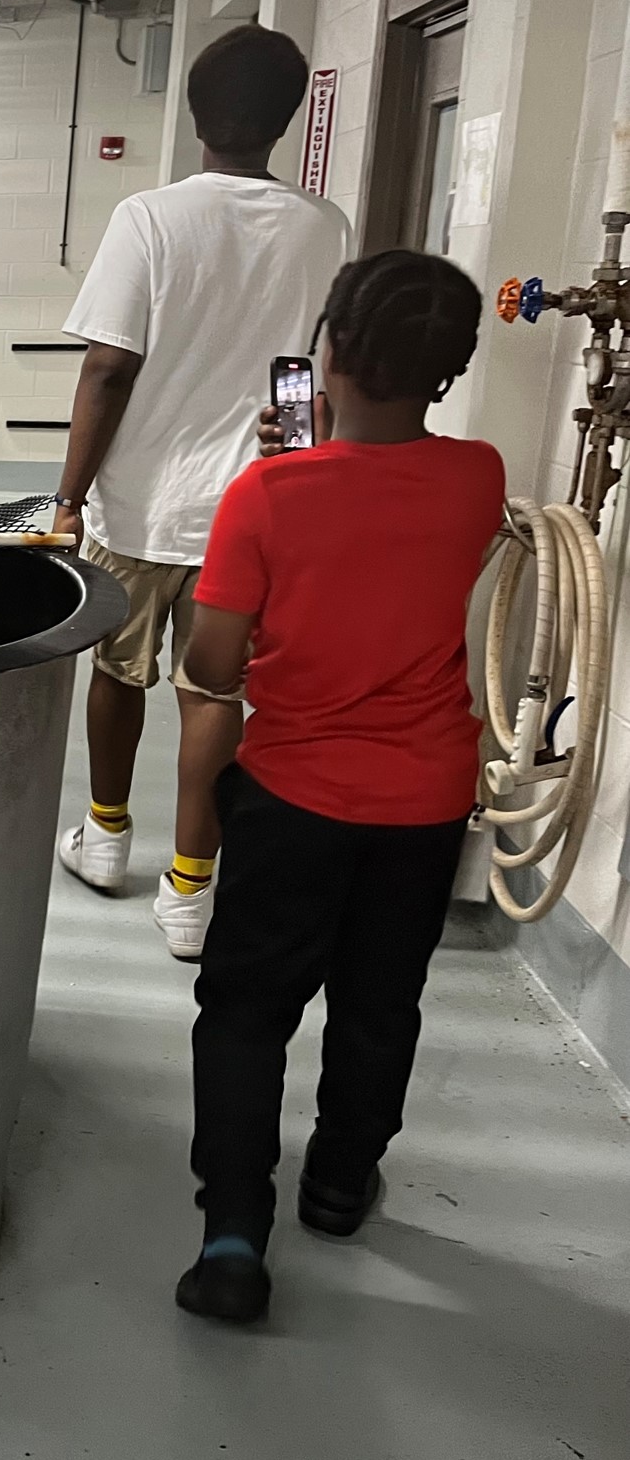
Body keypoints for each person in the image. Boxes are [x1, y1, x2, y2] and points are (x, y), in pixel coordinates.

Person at [171, 249, 501, 1322]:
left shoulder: (267, 494)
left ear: (333, 349)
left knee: (245, 1011)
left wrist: (278, 492)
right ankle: (340, 1185)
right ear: (449, 370)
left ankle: (231, 1238)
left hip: (295, 797)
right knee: (378, 1002)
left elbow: (215, 669)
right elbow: (391, 508)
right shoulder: (479, 477)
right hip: (425, 805)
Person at [53, 24, 352, 960]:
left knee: (115, 671)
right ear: (290, 119)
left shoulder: (148, 218)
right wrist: (297, 469)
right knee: (214, 693)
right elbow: (315, 376)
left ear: (191, 114)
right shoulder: (326, 227)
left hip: (140, 502)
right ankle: (189, 894)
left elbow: (107, 368)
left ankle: (105, 837)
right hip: (255, 509)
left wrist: (68, 498)